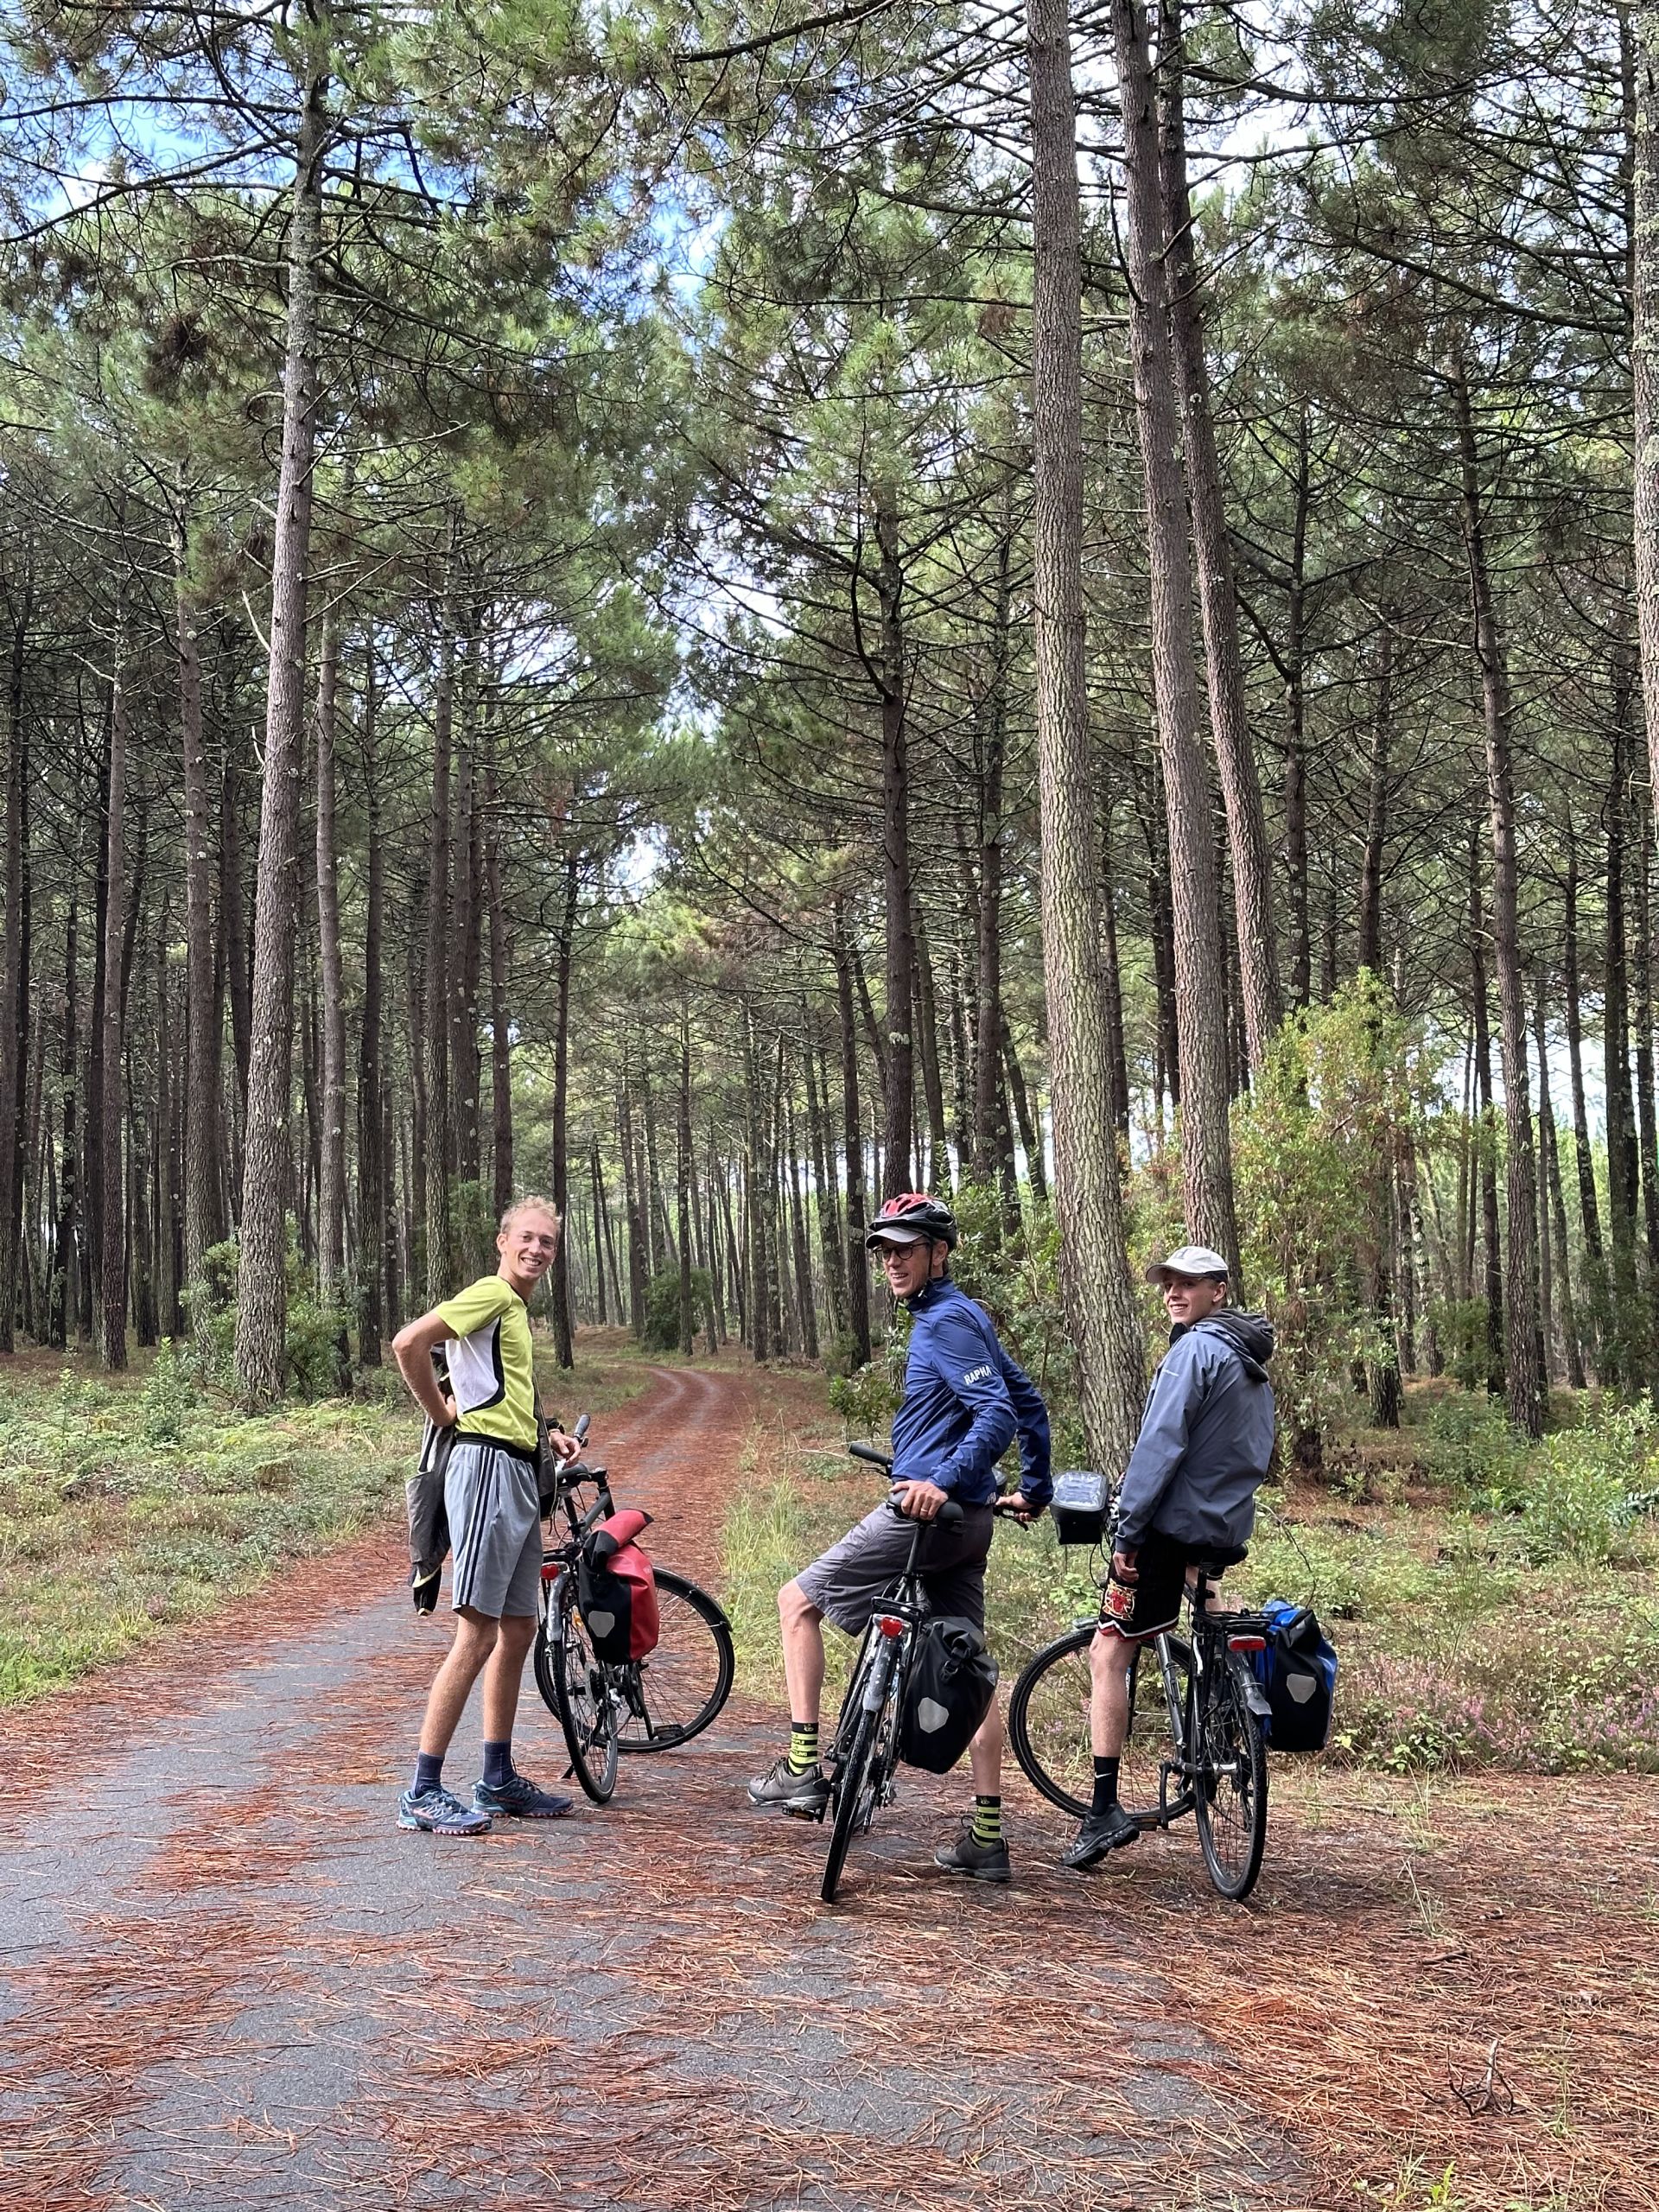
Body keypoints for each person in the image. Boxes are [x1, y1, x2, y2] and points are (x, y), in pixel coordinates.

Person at [748, 1192, 1052, 1884]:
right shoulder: (967, 1316)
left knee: (795, 1602)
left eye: (906, 1249)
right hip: (969, 1528)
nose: (892, 1261)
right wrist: (1032, 1489)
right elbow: (1026, 1401)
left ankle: (801, 1767)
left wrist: (941, 1479)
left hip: (926, 1520)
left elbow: (998, 1413)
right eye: (885, 1251)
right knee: (966, 1670)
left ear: (939, 1254)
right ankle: (986, 1835)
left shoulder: (945, 1322)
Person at [1062, 1242, 1275, 1871]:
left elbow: (1159, 1448)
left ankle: (1103, 1810)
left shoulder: (1194, 1353)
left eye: (1190, 1283)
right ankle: (1223, 1709)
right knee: (1211, 1613)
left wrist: (1128, 1532)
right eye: (1168, 1284)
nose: (1174, 1293)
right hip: (1223, 1528)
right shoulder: (1251, 1363)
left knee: (1109, 1650)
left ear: (1219, 1292)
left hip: (1167, 1531)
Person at [391, 1197, 583, 1837]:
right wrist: (443, 1418)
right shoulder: (491, 1294)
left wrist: (545, 1433)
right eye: (527, 1238)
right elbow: (409, 1342)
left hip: (518, 1469)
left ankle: (497, 1780)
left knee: (519, 1627)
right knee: (475, 1633)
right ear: (503, 1241)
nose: (537, 1250)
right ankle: (422, 1791)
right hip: (483, 1473)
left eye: (547, 1243)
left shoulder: (516, 1312)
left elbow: (502, 1386)